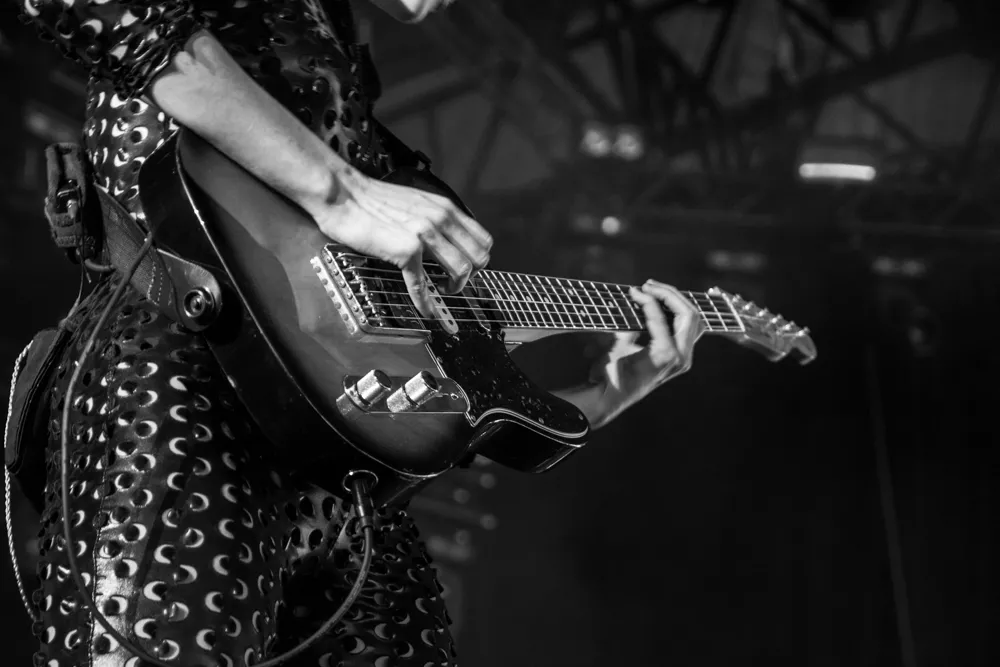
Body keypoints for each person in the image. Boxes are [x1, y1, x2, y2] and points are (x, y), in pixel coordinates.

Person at [14, 0, 705, 665]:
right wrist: (341, 190)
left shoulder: (338, 39)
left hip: (349, 497)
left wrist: (601, 394)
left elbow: (441, 389)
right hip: (182, 390)